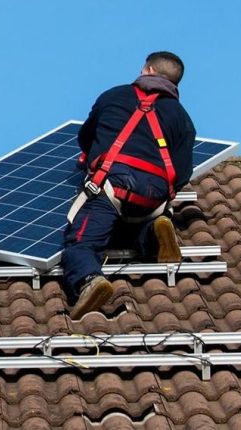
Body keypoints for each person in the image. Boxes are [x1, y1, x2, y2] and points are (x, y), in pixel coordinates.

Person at [62, 51, 196, 320]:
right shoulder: (182, 117)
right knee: (131, 225)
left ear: (147, 70)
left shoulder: (113, 96)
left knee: (80, 243)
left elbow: (85, 138)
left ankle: (89, 280)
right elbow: (183, 173)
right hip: (153, 197)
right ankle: (155, 233)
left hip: (112, 184)